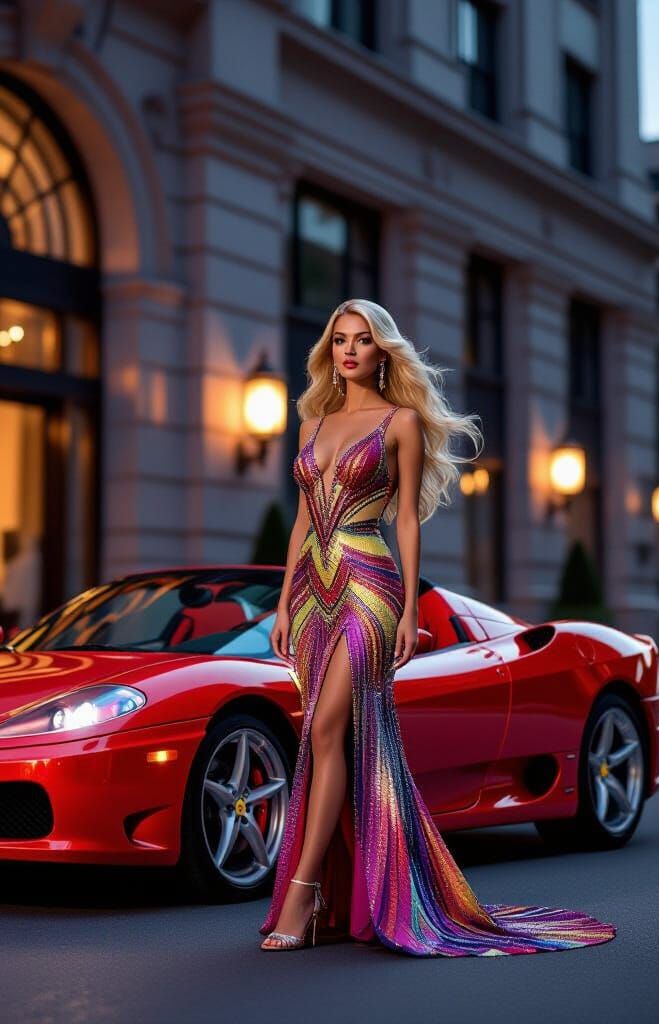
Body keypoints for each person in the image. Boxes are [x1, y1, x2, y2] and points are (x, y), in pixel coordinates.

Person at [258, 298, 616, 956]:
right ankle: (325, 892)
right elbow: (305, 519)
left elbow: (407, 522)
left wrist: (402, 610)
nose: (349, 350)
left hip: (368, 584)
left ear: (382, 350)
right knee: (321, 734)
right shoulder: (313, 421)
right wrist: (282, 603)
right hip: (311, 594)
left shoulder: (400, 422)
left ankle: (304, 892)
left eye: (362, 340)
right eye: (340, 339)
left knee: (331, 725)